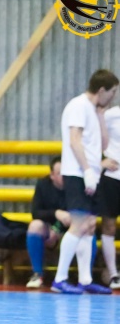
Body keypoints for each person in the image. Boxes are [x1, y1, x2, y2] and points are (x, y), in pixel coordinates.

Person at [51, 69, 118, 294]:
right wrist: (87, 170)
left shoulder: (92, 110)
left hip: (91, 174)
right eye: (112, 92)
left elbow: (103, 144)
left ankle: (85, 279)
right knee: (79, 224)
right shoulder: (78, 105)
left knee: (89, 226)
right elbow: (74, 140)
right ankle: (60, 278)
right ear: (102, 90)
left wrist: (100, 116)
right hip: (77, 173)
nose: (114, 96)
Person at [25, 157, 70, 288]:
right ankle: (37, 273)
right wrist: (55, 213)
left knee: (87, 229)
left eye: (66, 172)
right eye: (60, 173)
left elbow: (79, 211)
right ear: (52, 175)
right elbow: (36, 212)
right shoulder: (43, 185)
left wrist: (58, 228)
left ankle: (85, 278)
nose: (64, 176)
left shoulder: (75, 184)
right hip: (48, 228)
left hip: (71, 228)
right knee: (35, 226)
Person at [99, 105, 120, 289]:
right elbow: (89, 137)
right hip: (113, 177)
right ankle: (113, 274)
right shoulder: (111, 115)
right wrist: (100, 161)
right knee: (109, 225)